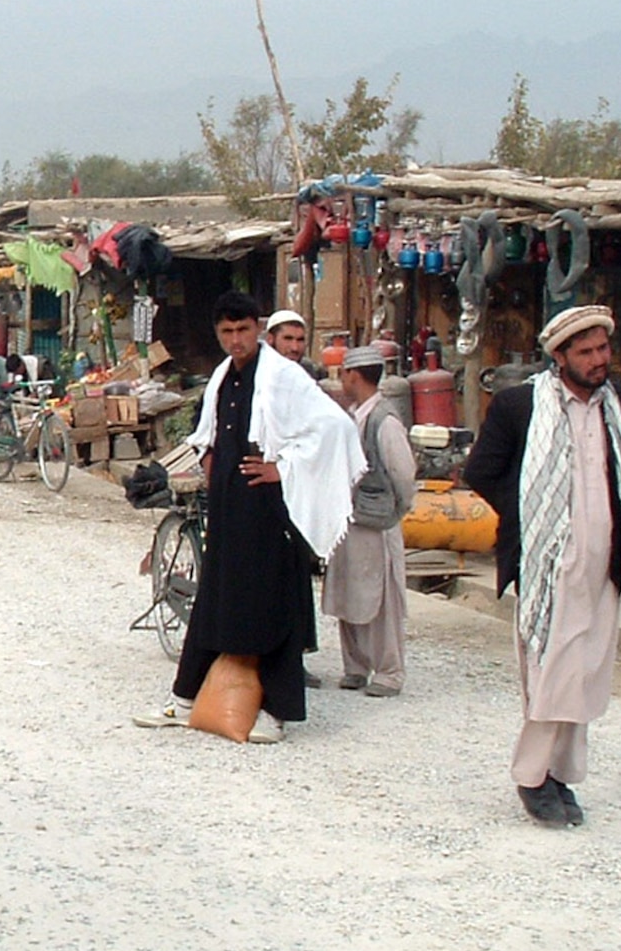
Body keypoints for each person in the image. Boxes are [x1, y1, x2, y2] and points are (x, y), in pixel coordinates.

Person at [461, 305, 621, 827]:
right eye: (586, 352)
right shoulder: (520, 405)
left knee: (584, 675)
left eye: (603, 349)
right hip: (549, 568)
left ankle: (561, 773)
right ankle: (531, 777)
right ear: (560, 357)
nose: (599, 360)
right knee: (551, 673)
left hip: (604, 565)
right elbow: (481, 471)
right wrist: (535, 515)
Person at [133, 291, 365, 743]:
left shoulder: (284, 377)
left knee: (272, 608)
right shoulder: (224, 376)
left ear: (258, 329)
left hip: (267, 512)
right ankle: (184, 699)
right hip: (227, 507)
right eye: (227, 332)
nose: (236, 340)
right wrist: (209, 454)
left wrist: (283, 467)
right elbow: (213, 432)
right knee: (213, 602)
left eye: (243, 330)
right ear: (218, 334)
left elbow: (333, 426)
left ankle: (274, 713)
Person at [321, 346, 415, 697]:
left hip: (377, 522)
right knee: (349, 592)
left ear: (353, 376)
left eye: (344, 373)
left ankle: (389, 671)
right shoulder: (351, 415)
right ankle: (356, 666)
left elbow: (403, 474)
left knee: (382, 598)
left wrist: (396, 510)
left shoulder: (384, 421)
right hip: (349, 520)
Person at [267, 309, 327, 380]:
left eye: (300, 340)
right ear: (270, 339)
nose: (295, 348)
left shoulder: (311, 371)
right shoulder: (257, 370)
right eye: (288, 339)